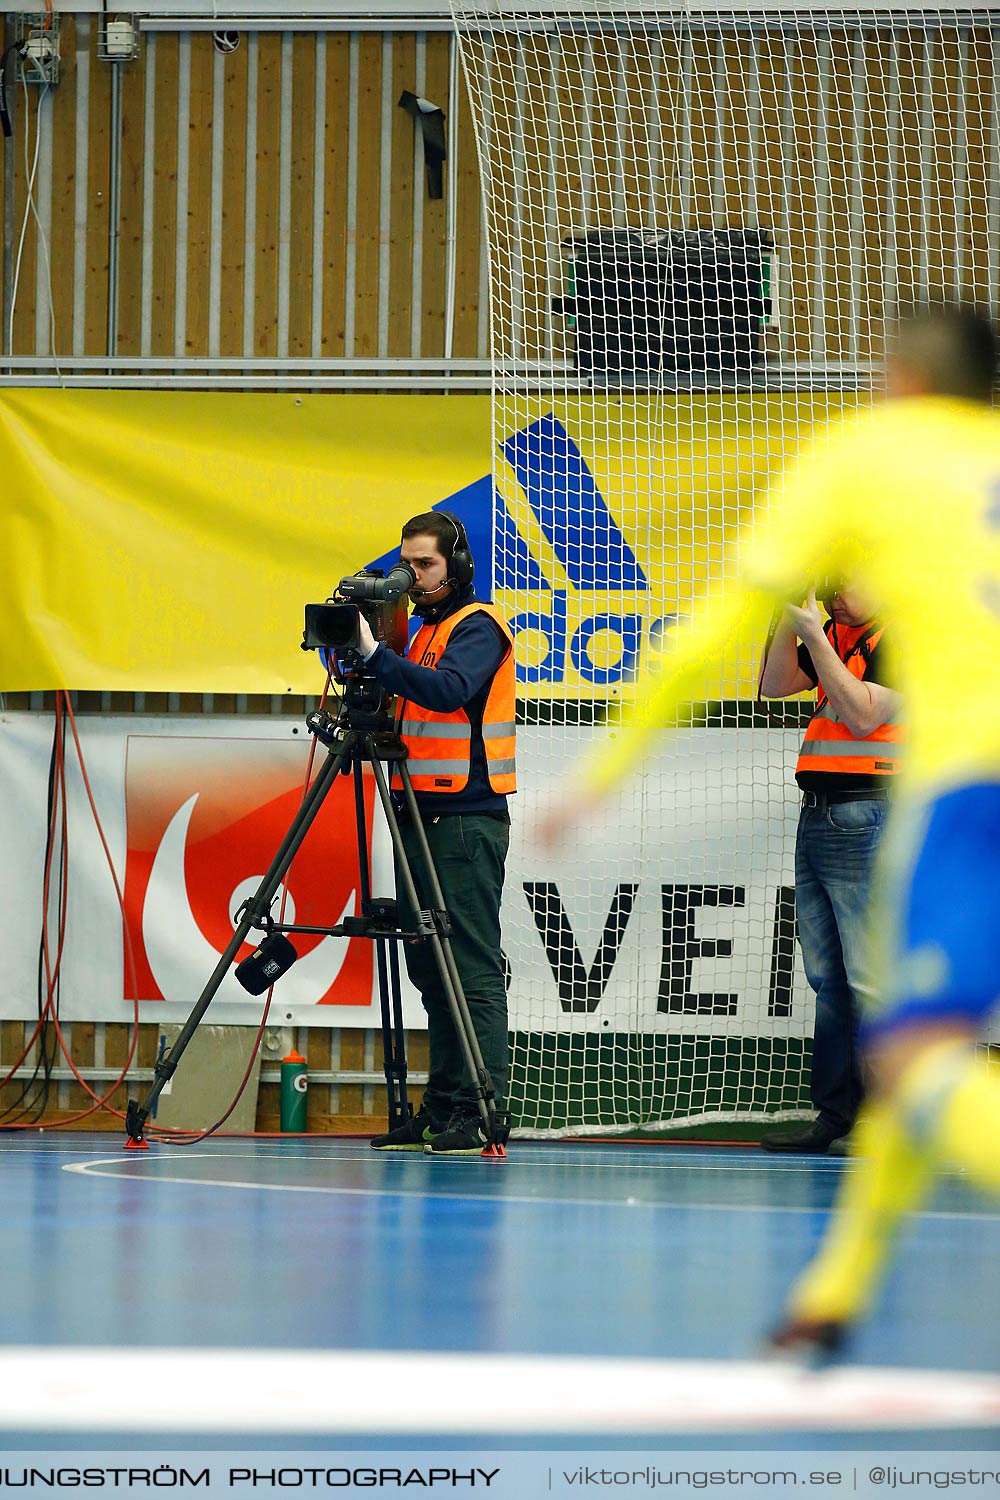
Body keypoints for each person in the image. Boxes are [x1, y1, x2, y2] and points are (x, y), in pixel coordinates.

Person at [541, 304, 1000, 1350]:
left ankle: (837, 1281)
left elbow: (708, 636)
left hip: (955, 795)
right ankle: (833, 1292)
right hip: (909, 797)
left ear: (898, 379)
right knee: (907, 1045)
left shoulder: (868, 455)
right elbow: (768, 678)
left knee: (917, 1059)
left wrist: (600, 777)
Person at [357, 511, 516, 1158]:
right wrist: (370, 660)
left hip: (466, 822)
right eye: (407, 564)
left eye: (425, 564)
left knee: (469, 969)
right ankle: (443, 1108)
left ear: (457, 564)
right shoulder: (423, 634)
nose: (413, 576)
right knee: (430, 968)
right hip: (420, 816)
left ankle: (482, 1111)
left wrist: (376, 656)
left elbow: (450, 693)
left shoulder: (479, 627)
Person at [758, 580, 903, 1155]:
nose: (835, 593)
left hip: (869, 814)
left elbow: (865, 715)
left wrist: (815, 634)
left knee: (869, 977)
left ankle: (884, 1120)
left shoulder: (907, 635)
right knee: (829, 978)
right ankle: (837, 1115)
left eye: (847, 581)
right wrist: (791, 614)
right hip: (819, 815)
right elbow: (774, 685)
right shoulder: (838, 636)